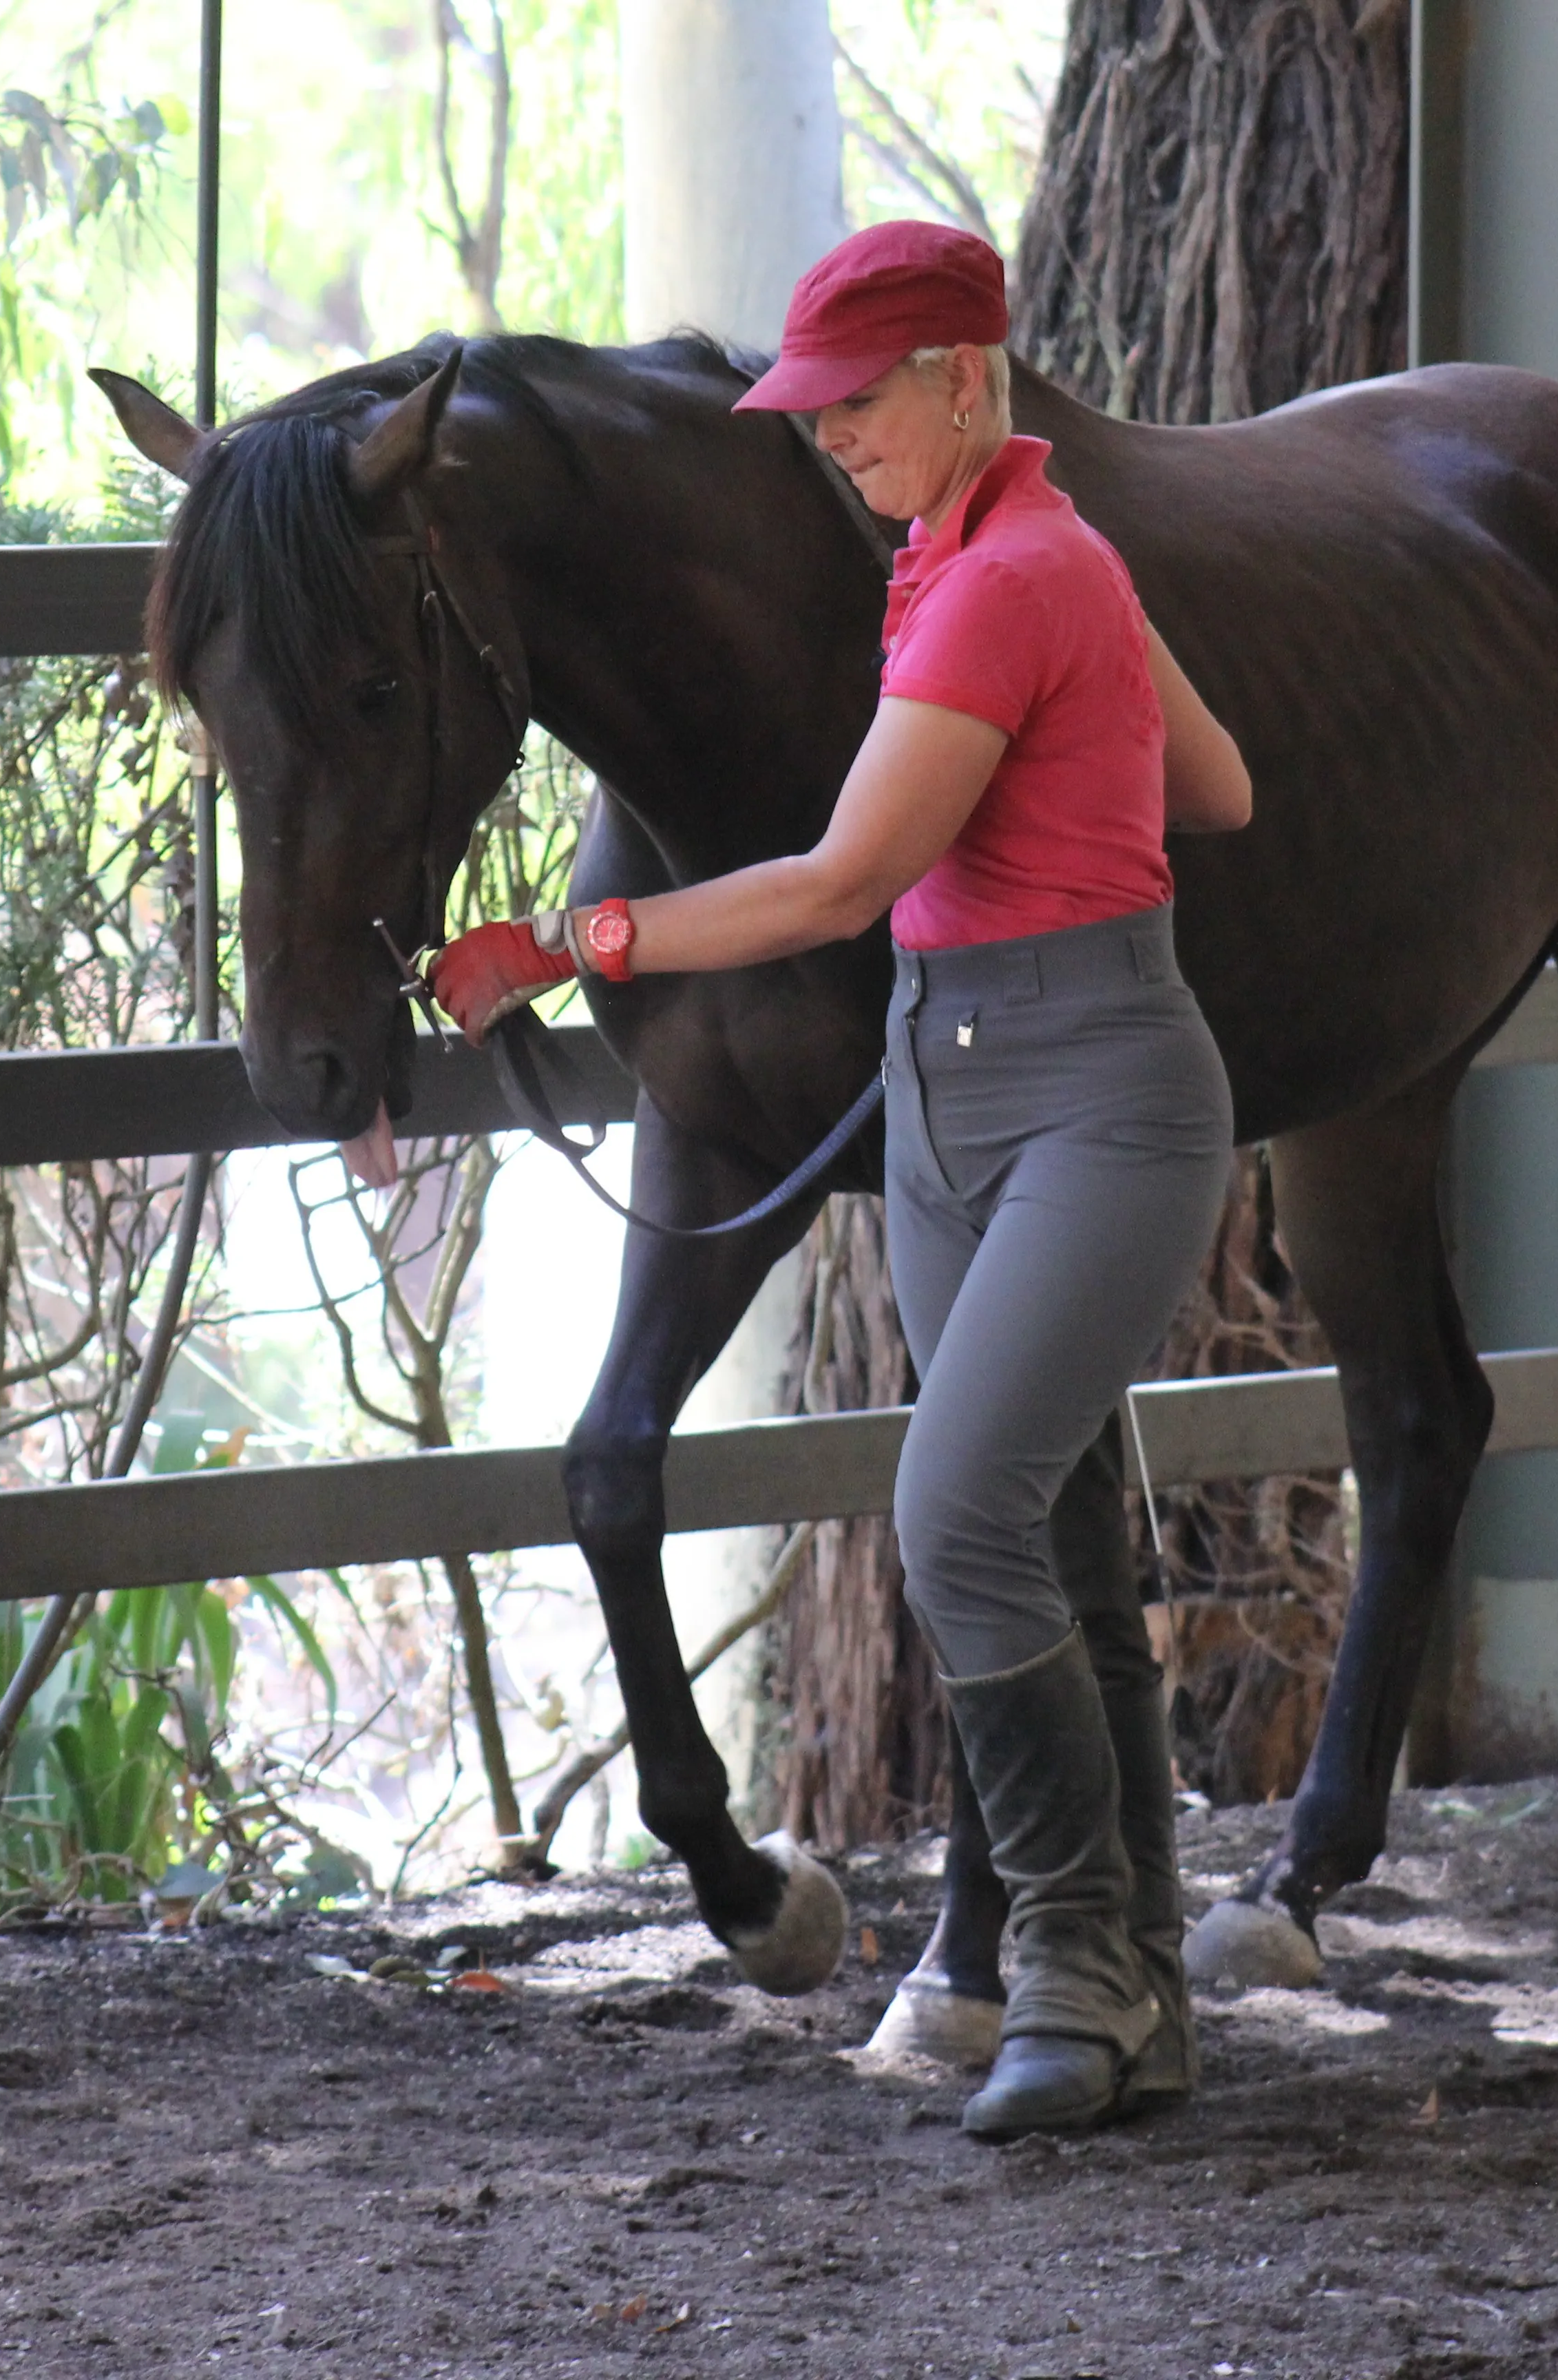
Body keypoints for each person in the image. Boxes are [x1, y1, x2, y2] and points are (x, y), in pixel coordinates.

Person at [429, 220, 1251, 2138]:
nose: (835, 444)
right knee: (1046, 1541)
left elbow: (831, 886)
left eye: (862, 405)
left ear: (968, 376)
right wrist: (1081, 758)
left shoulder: (1000, 580)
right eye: (814, 413)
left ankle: (1067, 1960)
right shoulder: (992, 568)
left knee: (957, 1514)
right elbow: (1219, 789)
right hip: (955, 1085)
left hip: (1090, 1091)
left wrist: (569, 949)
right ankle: (1143, 1992)